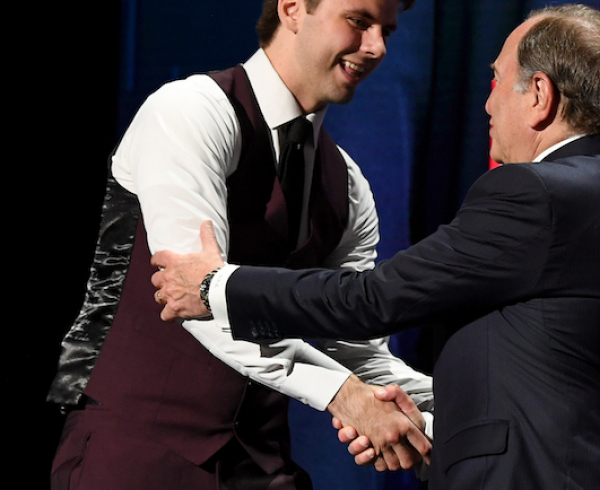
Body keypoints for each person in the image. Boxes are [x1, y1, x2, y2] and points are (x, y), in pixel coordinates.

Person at [153, 4, 600, 489]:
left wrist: (215, 285)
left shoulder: (537, 193)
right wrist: (426, 427)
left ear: (540, 96)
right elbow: (550, 385)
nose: (486, 103)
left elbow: (372, 301)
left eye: (497, 81)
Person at [46, 0, 435, 488]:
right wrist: (344, 395)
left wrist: (453, 422)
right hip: (135, 457)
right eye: (358, 21)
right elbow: (195, 299)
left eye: (387, 31)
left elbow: (356, 347)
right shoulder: (190, 111)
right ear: (293, 8)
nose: (376, 47)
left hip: (259, 466)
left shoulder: (348, 184)